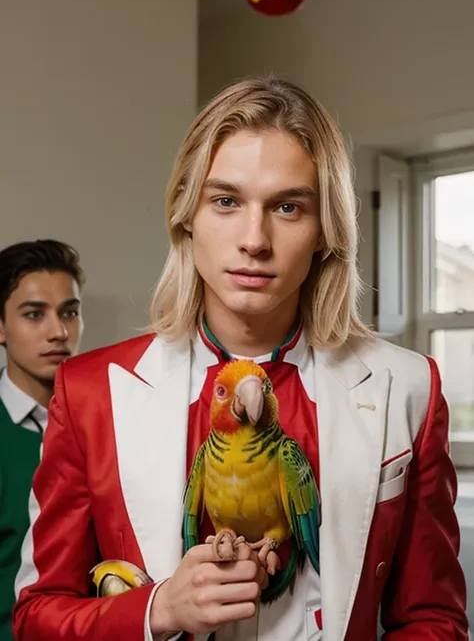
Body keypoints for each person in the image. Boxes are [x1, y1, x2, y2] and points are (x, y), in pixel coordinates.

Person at [13, 77, 468, 641]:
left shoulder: (407, 385)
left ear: (326, 229)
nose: (255, 239)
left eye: (287, 206)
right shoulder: (89, 392)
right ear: (186, 215)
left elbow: (433, 619)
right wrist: (157, 610)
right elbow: (37, 616)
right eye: (226, 201)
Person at [0, 239, 84, 641]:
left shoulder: (105, 424)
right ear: (0, 326)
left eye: (69, 312)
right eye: (35, 314)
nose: (59, 331)